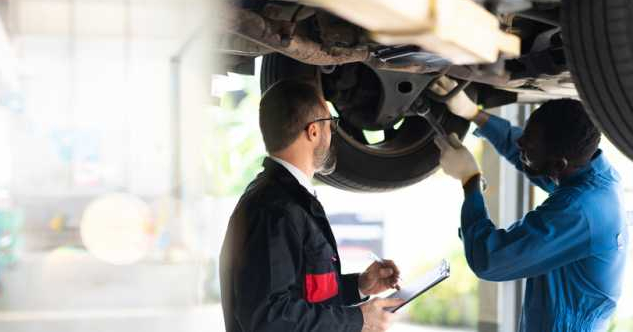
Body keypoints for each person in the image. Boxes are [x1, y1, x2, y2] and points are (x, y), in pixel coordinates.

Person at [430, 77, 628, 332]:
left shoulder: (577, 210)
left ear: (559, 165)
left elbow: (489, 260)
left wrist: (470, 180)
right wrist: (474, 114)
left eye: (528, 144)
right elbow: (530, 157)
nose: (520, 143)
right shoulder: (592, 173)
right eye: (527, 133)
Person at [219, 79, 404, 332]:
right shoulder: (276, 209)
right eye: (332, 123)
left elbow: (303, 294)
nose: (333, 133)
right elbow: (268, 317)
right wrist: (358, 319)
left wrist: (359, 286)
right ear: (314, 131)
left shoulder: (289, 200)